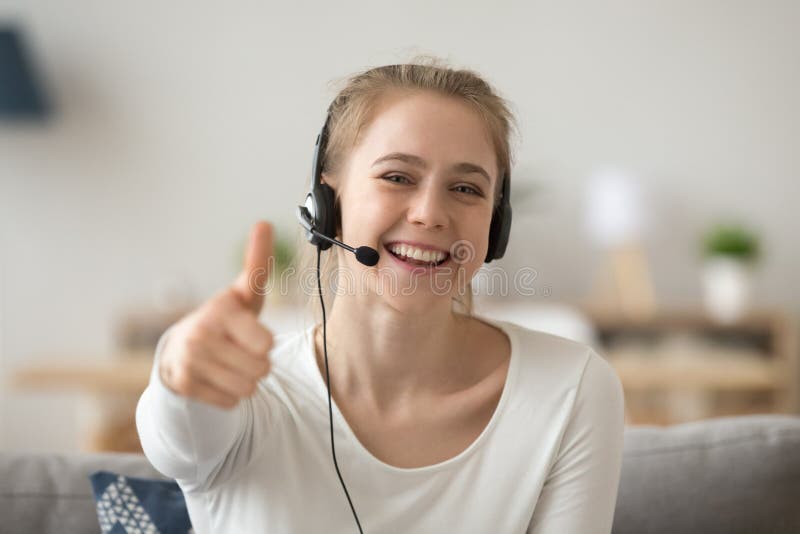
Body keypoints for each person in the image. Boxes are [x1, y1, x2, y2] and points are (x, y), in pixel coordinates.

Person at [136, 59, 625, 534]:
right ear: (326, 204)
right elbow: (176, 434)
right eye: (397, 177)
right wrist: (179, 370)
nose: (430, 214)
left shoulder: (570, 388)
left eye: (465, 187)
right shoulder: (244, 393)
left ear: (496, 227)